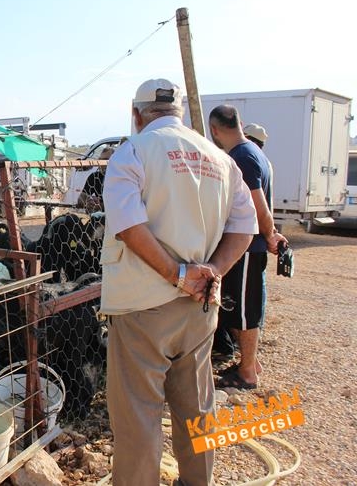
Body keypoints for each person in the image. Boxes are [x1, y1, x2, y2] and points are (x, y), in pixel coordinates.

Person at [101, 79, 257, 486]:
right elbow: (245, 226)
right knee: (197, 405)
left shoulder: (133, 152)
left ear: (137, 115)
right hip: (200, 307)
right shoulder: (221, 160)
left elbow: (128, 226)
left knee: (138, 414)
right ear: (181, 113)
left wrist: (178, 274)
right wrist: (213, 271)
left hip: (142, 306)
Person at [209, 107, 287, 390]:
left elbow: (257, 202)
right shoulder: (255, 153)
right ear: (239, 123)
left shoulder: (241, 156)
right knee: (239, 309)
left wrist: (269, 234)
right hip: (249, 245)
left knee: (243, 313)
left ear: (214, 130)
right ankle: (250, 363)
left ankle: (247, 373)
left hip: (247, 245)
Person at [78, 146, 114, 212]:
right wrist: (89, 201)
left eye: (106, 160)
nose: (102, 163)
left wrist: (100, 205)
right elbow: (81, 199)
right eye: (100, 160)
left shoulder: (120, 178)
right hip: (99, 215)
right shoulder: (94, 177)